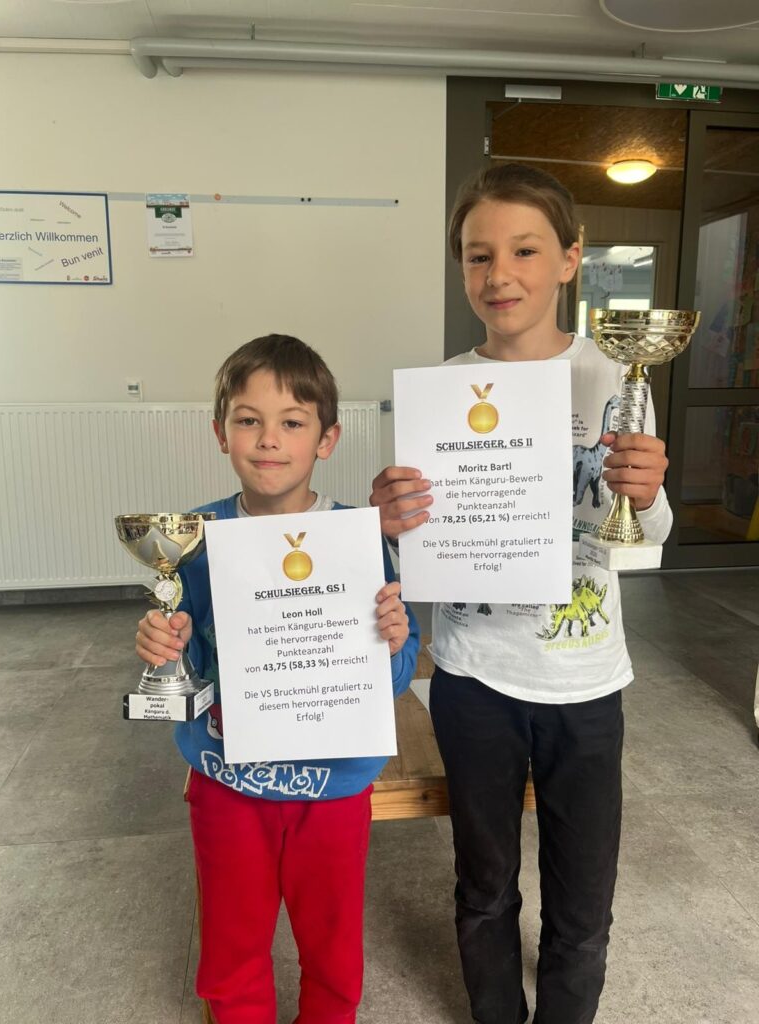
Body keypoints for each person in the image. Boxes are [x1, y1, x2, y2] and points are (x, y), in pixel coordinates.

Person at [369, 163, 672, 1024]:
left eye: (525, 250)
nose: (499, 273)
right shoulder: (441, 390)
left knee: (584, 896)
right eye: (478, 255)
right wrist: (389, 519)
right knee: (484, 882)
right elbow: (416, 540)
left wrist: (649, 495)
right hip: (474, 678)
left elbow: (647, 536)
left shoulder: (616, 379)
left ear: (571, 259)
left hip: (588, 682)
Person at [136, 333, 419, 1024]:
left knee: (333, 945)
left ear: (327, 439)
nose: (269, 440)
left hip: (335, 785)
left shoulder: (360, 537)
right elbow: (184, 652)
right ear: (220, 432)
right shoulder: (193, 536)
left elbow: (396, 671)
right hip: (227, 780)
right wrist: (161, 647)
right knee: (231, 945)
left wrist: (393, 644)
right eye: (248, 420)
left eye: (292, 422)